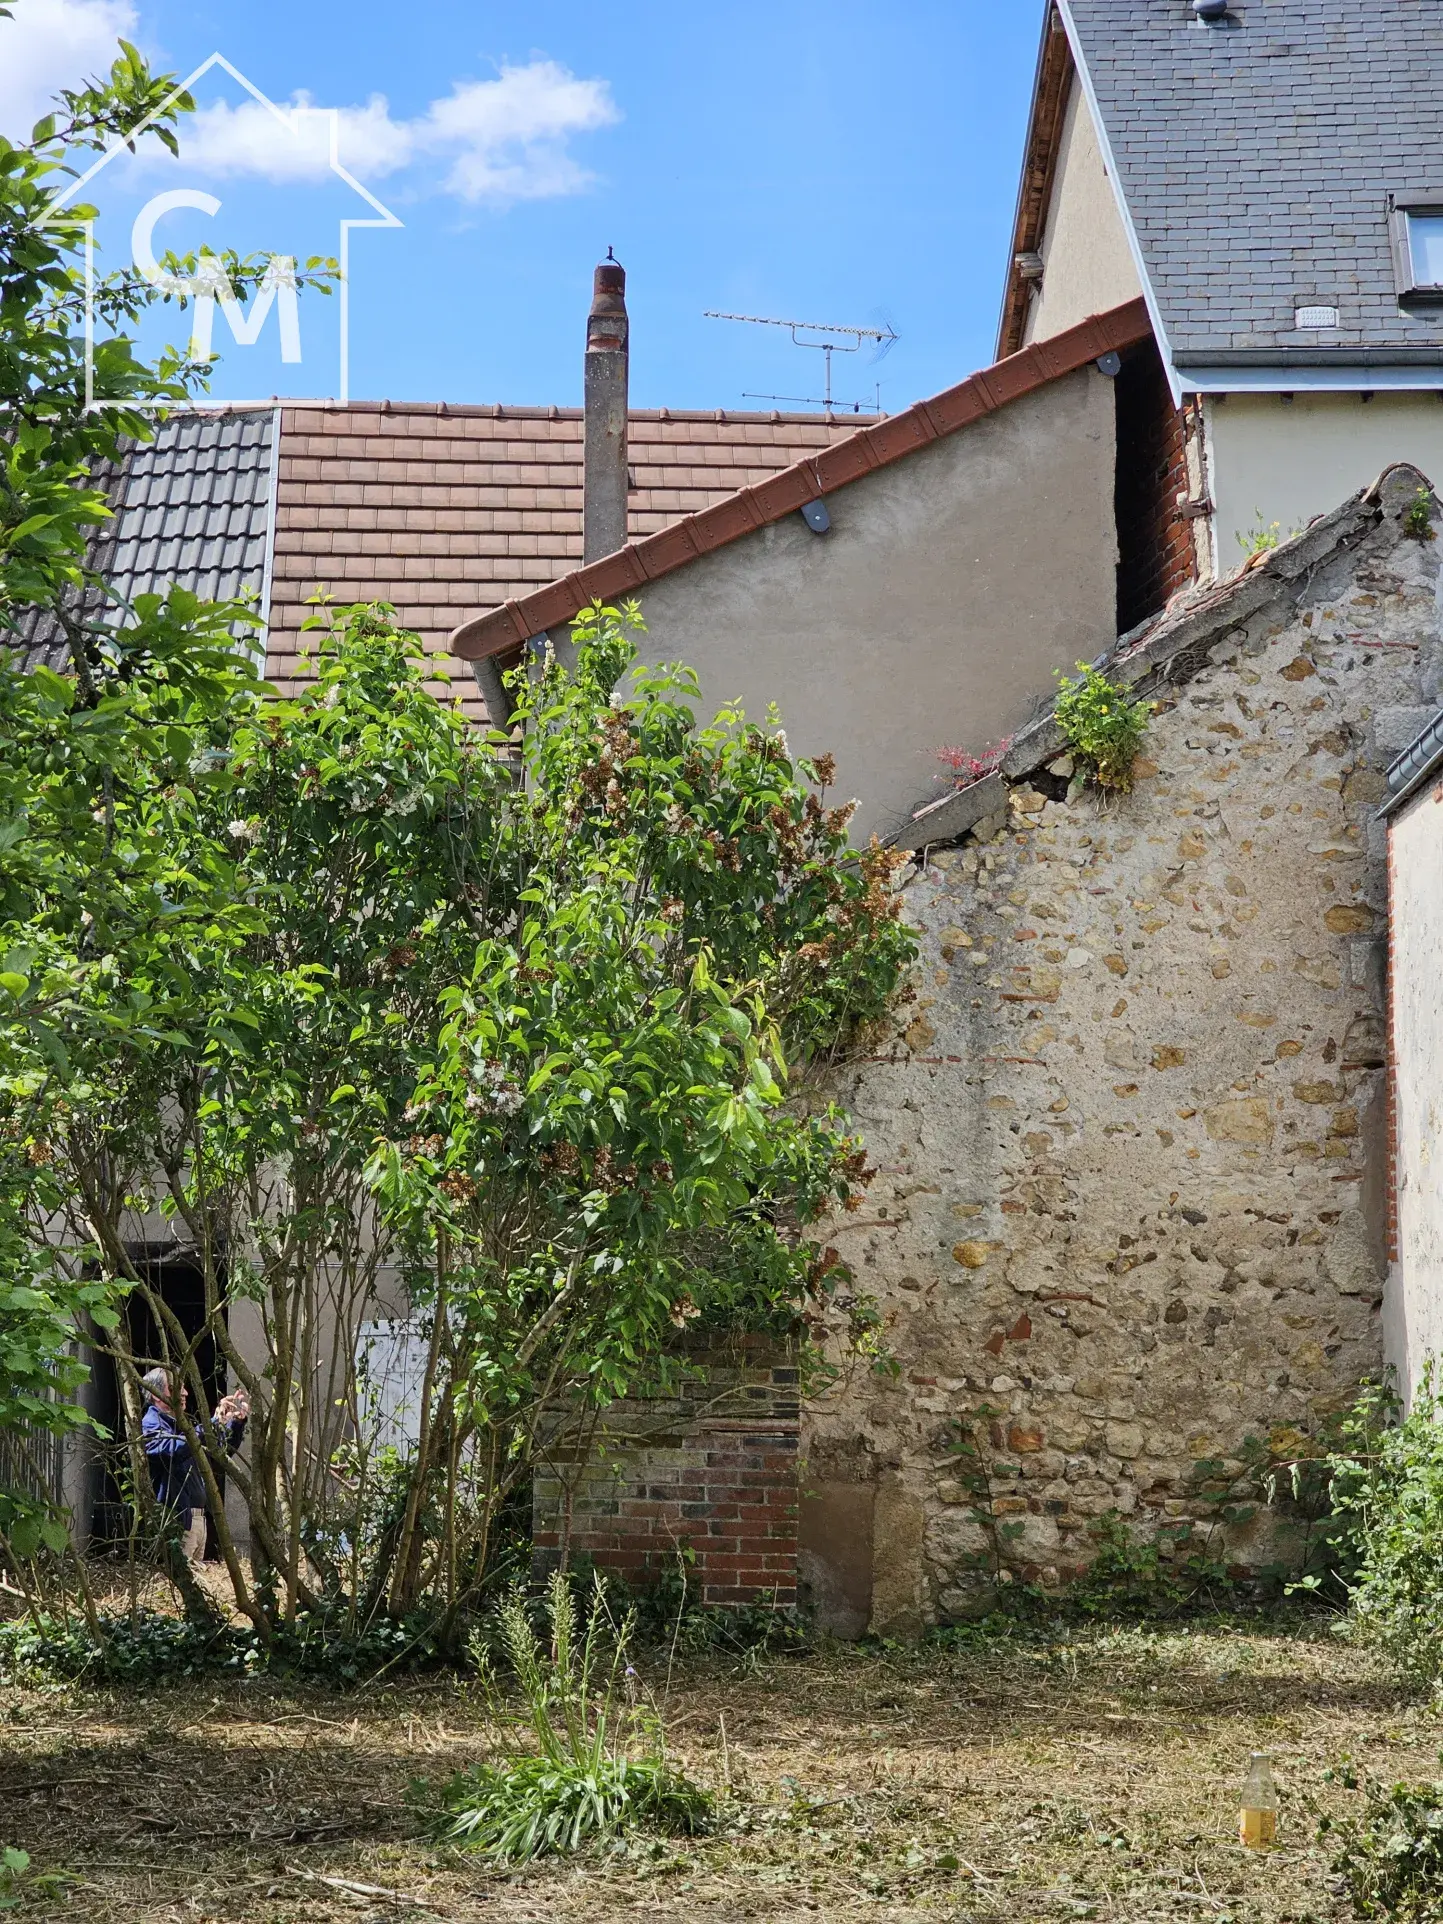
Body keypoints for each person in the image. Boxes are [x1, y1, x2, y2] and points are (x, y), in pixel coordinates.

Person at [139, 1367, 249, 1564]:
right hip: (177, 1522)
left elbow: (217, 1455)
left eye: (183, 1386)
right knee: (180, 1585)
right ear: (155, 1395)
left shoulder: (178, 1423)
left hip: (197, 1520)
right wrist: (211, 1424)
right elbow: (171, 1450)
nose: (184, 1392)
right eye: (174, 1387)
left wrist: (235, 1422)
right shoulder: (151, 1422)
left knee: (195, 1587)